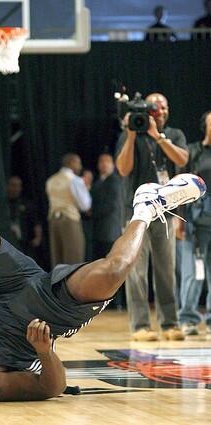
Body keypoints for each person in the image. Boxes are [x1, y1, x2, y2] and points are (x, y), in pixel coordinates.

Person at [0, 83, 205, 401]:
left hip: (1, 284)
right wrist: (44, 351)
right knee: (113, 272)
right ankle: (147, 207)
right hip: (40, 313)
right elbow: (51, 388)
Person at [115, 92, 189, 341]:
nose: (159, 110)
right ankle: (140, 326)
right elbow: (123, 169)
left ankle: (170, 324)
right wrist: (131, 135)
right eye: (153, 106)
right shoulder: (130, 134)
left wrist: (158, 136)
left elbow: (182, 158)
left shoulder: (175, 134)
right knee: (136, 271)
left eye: (162, 106)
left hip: (166, 212)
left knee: (167, 270)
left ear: (167, 110)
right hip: (136, 213)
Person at [178, 111, 211, 336]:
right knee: (193, 273)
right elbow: (182, 188)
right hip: (196, 221)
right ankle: (187, 318)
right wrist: (179, 221)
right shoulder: (193, 151)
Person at [46, 153, 91, 267]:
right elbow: (85, 205)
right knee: (74, 260)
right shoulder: (75, 180)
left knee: (57, 261)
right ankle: (72, 285)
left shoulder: (51, 180)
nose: (80, 166)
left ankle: (58, 285)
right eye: (78, 163)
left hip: (53, 221)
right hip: (69, 220)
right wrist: (87, 187)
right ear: (71, 163)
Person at [91, 154, 122, 261]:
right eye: (101, 161)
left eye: (107, 161)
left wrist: (91, 212)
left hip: (109, 231)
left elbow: (111, 205)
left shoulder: (114, 181)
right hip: (98, 230)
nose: (104, 164)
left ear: (113, 165)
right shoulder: (97, 182)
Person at [6, 175, 43, 261]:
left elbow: (36, 222)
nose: (17, 189)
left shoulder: (27, 204)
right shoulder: (2, 204)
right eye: (14, 185)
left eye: (19, 186)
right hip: (7, 241)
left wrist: (38, 237)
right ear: (8, 186)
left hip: (25, 242)